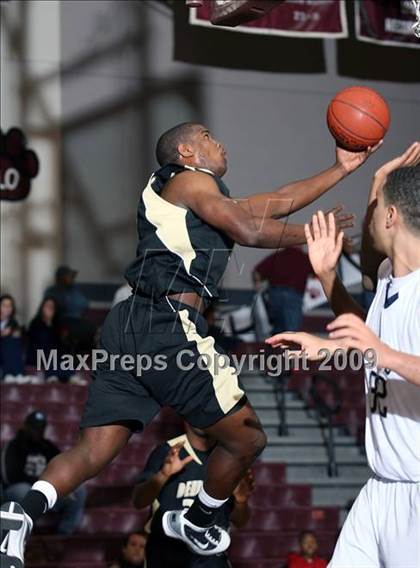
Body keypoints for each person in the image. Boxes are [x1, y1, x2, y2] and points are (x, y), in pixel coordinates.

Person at [0, 122, 379, 566]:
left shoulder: (192, 195)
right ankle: (199, 518)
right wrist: (315, 236)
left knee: (93, 450)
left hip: (129, 325)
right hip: (168, 322)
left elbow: (276, 200)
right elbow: (249, 230)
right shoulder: (189, 180)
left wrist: (339, 168)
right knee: (248, 440)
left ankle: (19, 512)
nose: (218, 141)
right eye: (206, 136)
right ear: (186, 151)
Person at [266, 144, 420, 568]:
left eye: (376, 208)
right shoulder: (391, 280)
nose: (367, 217)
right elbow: (371, 337)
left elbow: (381, 349)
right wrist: (330, 340)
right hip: (381, 488)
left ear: (391, 218)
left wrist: (380, 352)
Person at [133, 422, 254, 567]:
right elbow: (139, 501)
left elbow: (241, 521)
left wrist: (241, 501)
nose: (203, 417)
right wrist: (163, 475)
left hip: (211, 560)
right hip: (167, 556)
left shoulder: (228, 457)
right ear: (186, 415)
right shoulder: (167, 451)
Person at [0, 411, 87, 535]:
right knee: (22, 490)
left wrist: (65, 486)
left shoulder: (48, 447)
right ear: (25, 426)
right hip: (21, 491)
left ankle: (64, 536)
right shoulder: (13, 446)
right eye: (33, 427)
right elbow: (8, 477)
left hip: (47, 490)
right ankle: (20, 537)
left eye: (40, 428)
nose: (37, 431)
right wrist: (40, 485)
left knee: (78, 490)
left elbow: (63, 469)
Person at [253, 246, 313, 333]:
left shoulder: (277, 256)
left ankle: (277, 345)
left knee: (277, 328)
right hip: (293, 295)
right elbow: (319, 272)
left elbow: (257, 272)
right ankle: (289, 346)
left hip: (274, 295)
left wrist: (257, 285)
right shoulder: (304, 258)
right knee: (292, 331)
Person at [25, 297, 71, 382]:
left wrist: (50, 324)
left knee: (59, 351)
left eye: (51, 307)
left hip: (54, 355)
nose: (49, 310)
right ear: (42, 308)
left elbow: (60, 343)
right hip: (38, 354)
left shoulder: (57, 325)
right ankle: (54, 375)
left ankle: (66, 375)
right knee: (45, 340)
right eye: (47, 306)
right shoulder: (35, 323)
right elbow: (35, 340)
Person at [0, 294, 25, 379]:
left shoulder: (13, 322)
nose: (7, 308)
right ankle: (9, 373)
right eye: (4, 305)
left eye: (9, 305)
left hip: (8, 352)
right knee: (8, 340)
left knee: (14, 340)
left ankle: (17, 374)